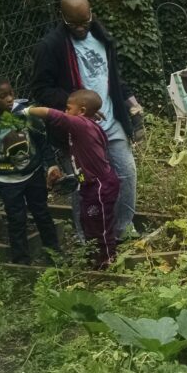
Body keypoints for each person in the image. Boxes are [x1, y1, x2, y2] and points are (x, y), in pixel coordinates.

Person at [31, 0, 141, 240]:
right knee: (83, 184)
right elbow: (41, 89)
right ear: (62, 18)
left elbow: (112, 77)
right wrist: (76, 103)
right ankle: (88, 239)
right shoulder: (50, 46)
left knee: (126, 174)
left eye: (85, 21)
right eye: (74, 24)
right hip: (78, 130)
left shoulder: (102, 37)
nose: (81, 28)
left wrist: (131, 102)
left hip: (112, 121)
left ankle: (123, 230)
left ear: (91, 13)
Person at [22, 90, 119, 268]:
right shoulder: (85, 122)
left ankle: (107, 260)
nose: (65, 112)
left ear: (81, 111)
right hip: (91, 185)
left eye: (68, 108)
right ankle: (95, 258)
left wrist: (25, 111)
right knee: (88, 221)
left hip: (99, 187)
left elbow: (49, 114)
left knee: (100, 224)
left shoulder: (80, 124)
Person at [0, 76, 62, 264]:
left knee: (42, 213)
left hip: (34, 173)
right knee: (17, 220)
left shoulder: (23, 114)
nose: (9, 99)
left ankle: (55, 255)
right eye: (2, 96)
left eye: (11, 93)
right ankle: (21, 263)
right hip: (8, 182)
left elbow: (40, 140)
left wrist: (51, 164)